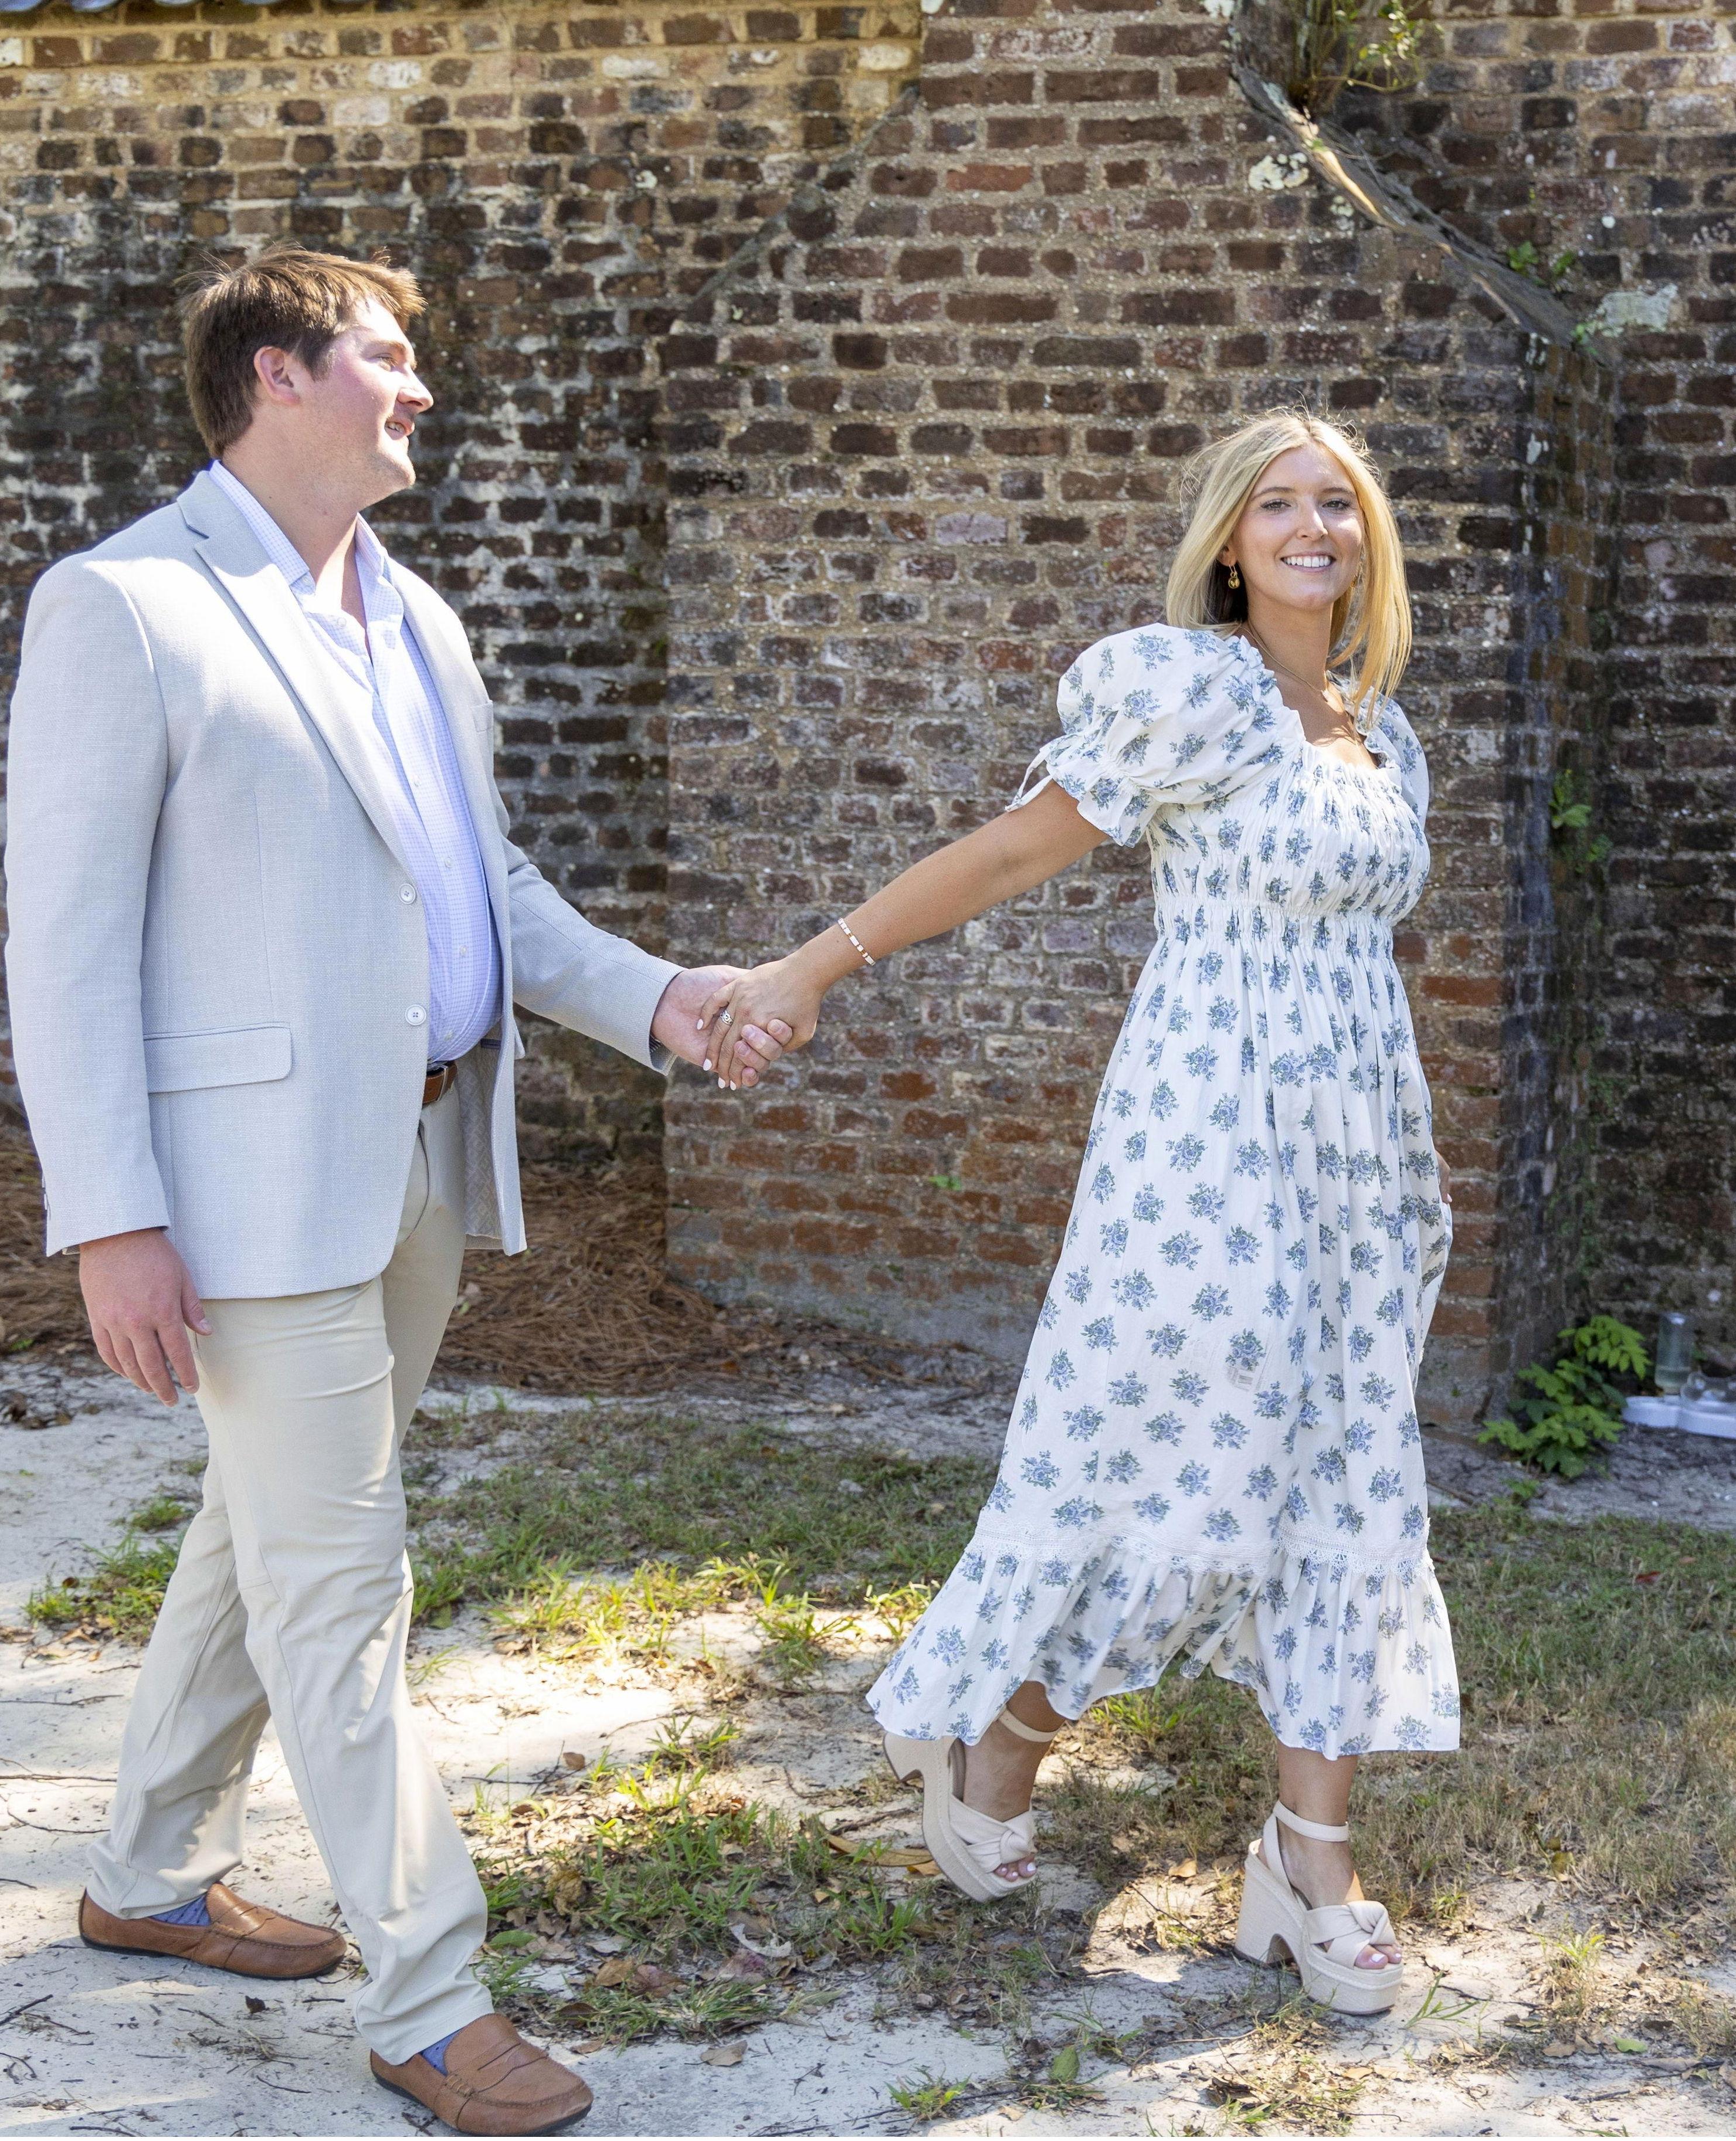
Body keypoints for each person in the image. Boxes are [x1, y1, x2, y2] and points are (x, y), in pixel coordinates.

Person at [3, 243, 779, 2136]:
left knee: (266, 1533)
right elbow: (64, 944)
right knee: (343, 1586)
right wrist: (113, 1217)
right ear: (276, 373)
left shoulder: (416, 616)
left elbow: (481, 890)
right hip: (242, 1193)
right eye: (384, 353)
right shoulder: (124, 605)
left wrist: (657, 997)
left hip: (425, 1156)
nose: (418, 385)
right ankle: (429, 1994)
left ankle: (150, 1869)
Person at [698, 409, 1458, 2014]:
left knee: (1345, 1469)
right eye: (1278, 503)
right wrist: (808, 970)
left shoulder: (1384, 734)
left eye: (1338, 504)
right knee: (1166, 1459)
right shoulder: (1190, 693)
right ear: (1230, 541)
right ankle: (1007, 1730)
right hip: (1207, 1138)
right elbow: (1009, 854)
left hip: (1353, 1153)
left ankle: (1307, 1858)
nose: (1312, 527)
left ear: (1368, 540)